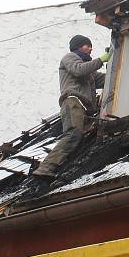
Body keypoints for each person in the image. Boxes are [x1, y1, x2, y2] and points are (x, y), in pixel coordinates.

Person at [32, 35, 109, 180]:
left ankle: (56, 166)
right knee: (73, 133)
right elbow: (78, 70)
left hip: (83, 108)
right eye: (88, 45)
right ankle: (45, 168)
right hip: (73, 102)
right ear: (78, 46)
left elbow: (106, 79)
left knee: (78, 137)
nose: (91, 48)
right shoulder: (70, 58)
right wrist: (101, 60)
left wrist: (114, 62)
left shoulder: (89, 72)